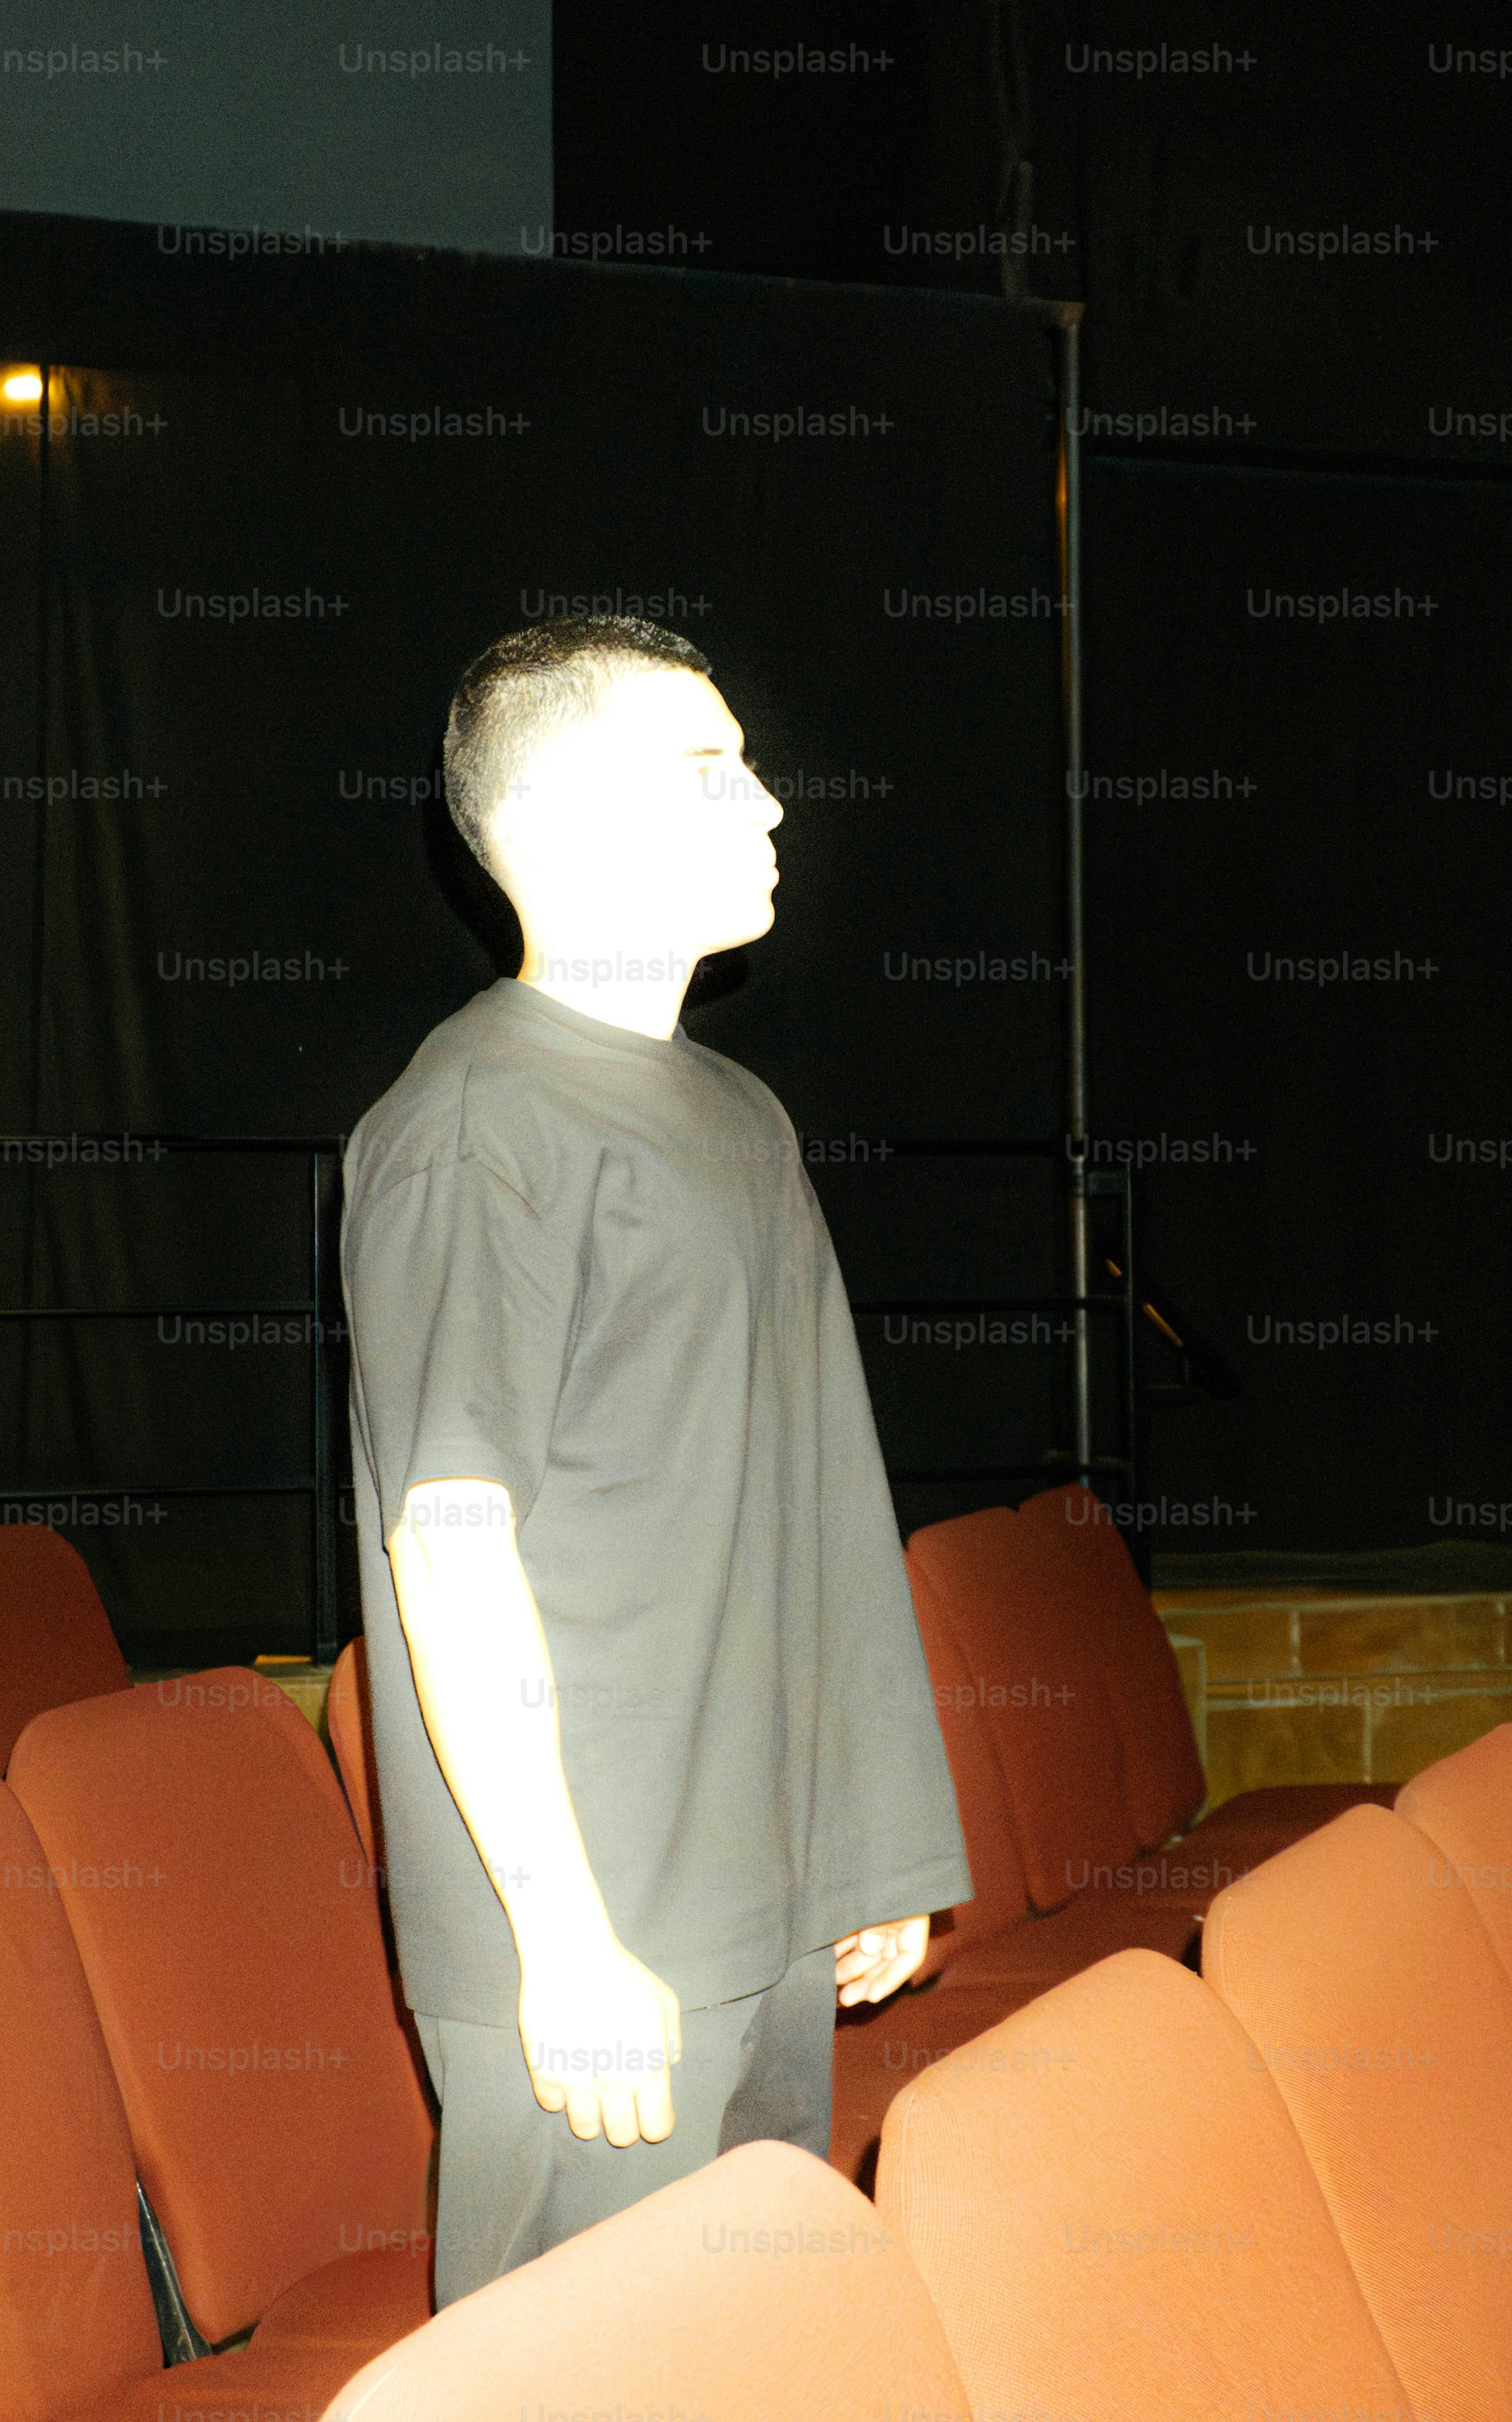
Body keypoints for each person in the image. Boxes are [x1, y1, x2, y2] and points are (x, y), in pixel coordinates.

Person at [338, 614, 974, 2307]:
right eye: (708, 771)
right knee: (577, 2372)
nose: (767, 803)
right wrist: (559, 1939)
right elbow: (447, 1549)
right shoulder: (477, 1129)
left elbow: (807, 1516)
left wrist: (869, 1843)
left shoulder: (738, 1117)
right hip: (600, 1926)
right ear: (554, 827)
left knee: (733, 2355)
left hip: (758, 1886)